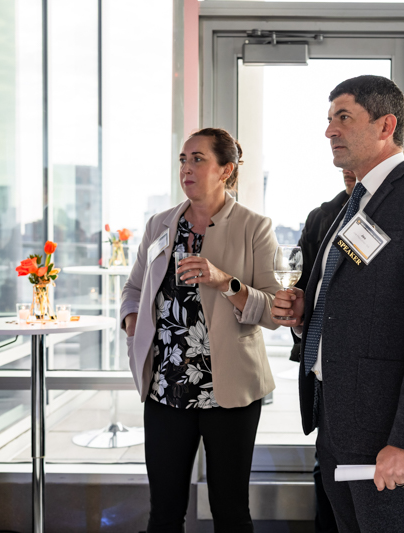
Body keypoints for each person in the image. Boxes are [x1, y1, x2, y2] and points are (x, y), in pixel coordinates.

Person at [271, 75, 404, 532]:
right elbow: (346, 303)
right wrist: (305, 315)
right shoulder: (350, 205)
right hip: (336, 422)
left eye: (343, 118)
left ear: (386, 126)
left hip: (389, 435)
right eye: (328, 120)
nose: (329, 131)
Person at [120, 127, 281, 533]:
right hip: (165, 386)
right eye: (183, 159)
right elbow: (133, 289)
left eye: (198, 159)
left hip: (229, 391)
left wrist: (223, 280)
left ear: (226, 170)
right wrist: (134, 323)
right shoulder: (160, 224)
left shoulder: (255, 227)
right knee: (164, 512)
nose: (186, 168)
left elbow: (273, 310)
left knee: (229, 511)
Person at [290, 169, 356, 533]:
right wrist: (297, 315)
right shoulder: (323, 217)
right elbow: (301, 292)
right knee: (328, 486)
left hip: (378, 390)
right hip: (325, 382)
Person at [290, 169, 356, 363]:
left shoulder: (402, 210)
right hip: (317, 359)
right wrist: (297, 319)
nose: (346, 169)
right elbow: (300, 285)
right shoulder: (319, 217)